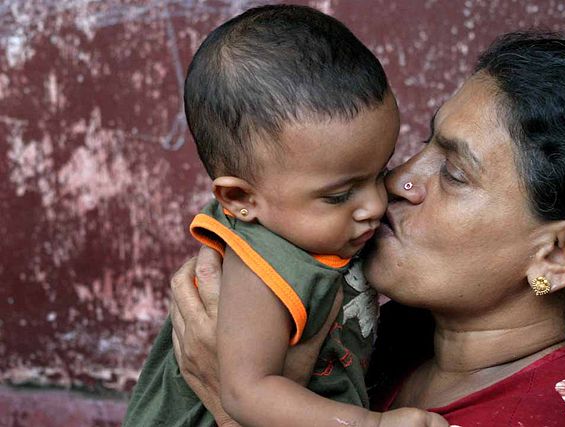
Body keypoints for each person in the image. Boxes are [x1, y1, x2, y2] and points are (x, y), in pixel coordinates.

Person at [169, 32, 565, 426]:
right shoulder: (399, 330)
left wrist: (231, 407)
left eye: (454, 173)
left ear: (559, 252)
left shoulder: (556, 416)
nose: (398, 180)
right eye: (424, 142)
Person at [124, 4, 448, 427]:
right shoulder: (264, 267)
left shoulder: (311, 227)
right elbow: (244, 393)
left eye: (382, 170)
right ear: (242, 198)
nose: (374, 205)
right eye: (338, 196)